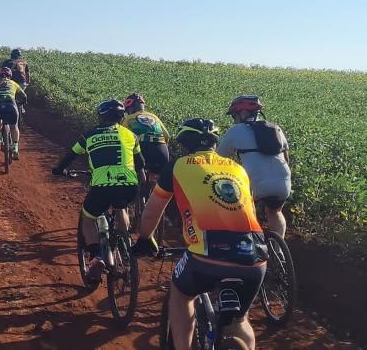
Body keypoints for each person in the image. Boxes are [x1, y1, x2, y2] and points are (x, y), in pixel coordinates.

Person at [133, 118, 267, 350]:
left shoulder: (178, 166)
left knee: (181, 295)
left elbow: (152, 210)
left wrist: (145, 239)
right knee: (240, 319)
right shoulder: (238, 169)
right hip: (254, 257)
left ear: (185, 144)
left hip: (206, 256)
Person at [52, 99, 143, 281]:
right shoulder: (130, 135)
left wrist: (58, 170)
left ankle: (97, 256)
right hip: (128, 186)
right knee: (120, 208)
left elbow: (70, 156)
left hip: (102, 187)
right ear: (121, 116)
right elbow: (141, 164)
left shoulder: (89, 136)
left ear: (101, 117)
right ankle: (125, 247)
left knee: (88, 218)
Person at [216, 95, 292, 238]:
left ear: (243, 114)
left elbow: (217, 159)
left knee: (247, 211)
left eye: (234, 116)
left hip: (256, 183)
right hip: (283, 181)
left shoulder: (235, 130)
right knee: (275, 212)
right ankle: (279, 250)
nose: (234, 120)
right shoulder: (276, 129)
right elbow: (287, 158)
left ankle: (254, 244)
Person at [122, 93, 171, 180]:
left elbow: (122, 137)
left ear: (130, 108)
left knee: (136, 171)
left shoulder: (129, 118)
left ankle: (141, 187)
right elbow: (167, 136)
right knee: (157, 178)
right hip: (161, 150)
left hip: (142, 148)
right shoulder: (154, 117)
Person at [0, 67, 27, 159]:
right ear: (10, 76)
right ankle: (15, 147)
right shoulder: (13, 83)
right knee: (14, 127)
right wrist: (21, 102)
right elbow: (24, 95)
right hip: (11, 106)